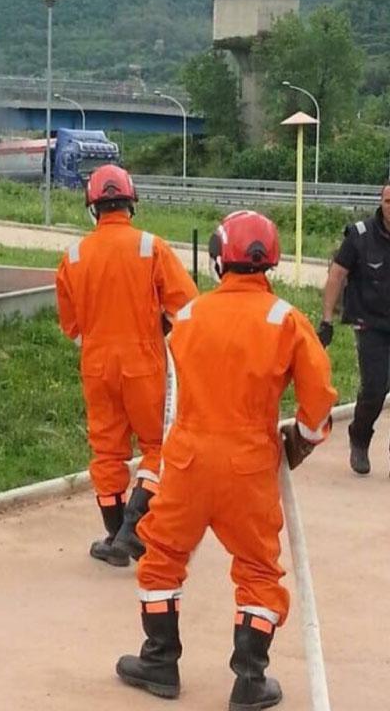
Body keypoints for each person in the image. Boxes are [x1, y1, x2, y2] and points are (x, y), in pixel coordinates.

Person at [116, 210, 337, 710]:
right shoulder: (285, 320)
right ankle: (249, 680)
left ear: (219, 259)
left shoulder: (189, 316)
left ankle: (159, 661)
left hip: (188, 462)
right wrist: (302, 438)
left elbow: (175, 387)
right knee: (258, 570)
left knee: (163, 558)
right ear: (270, 261)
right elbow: (320, 400)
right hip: (250, 466)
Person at [55, 165, 198, 567]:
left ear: (93, 208)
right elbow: (187, 309)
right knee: (157, 447)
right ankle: (133, 531)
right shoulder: (150, 247)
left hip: (97, 366)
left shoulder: (74, 256)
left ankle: (114, 532)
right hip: (143, 363)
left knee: (106, 451)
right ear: (131, 204)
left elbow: (71, 327)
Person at [318, 183, 390, 476]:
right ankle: (359, 437)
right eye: (388, 200)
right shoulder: (360, 236)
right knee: (375, 386)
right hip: (370, 322)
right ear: (381, 202)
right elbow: (337, 275)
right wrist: (326, 320)